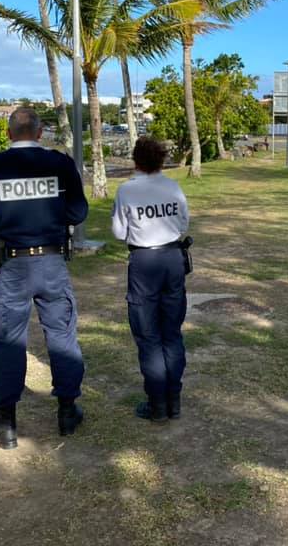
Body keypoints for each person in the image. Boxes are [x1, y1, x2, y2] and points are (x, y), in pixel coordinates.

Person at [0, 107, 88, 449]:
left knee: (8, 340)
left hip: (13, 266)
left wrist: (4, 230)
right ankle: (67, 411)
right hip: (51, 262)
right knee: (62, 335)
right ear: (39, 132)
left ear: (8, 134)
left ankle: (6, 423)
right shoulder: (60, 165)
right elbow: (78, 212)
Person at [111, 136, 190, 422]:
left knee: (148, 335)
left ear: (136, 160)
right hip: (172, 259)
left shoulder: (127, 190)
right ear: (160, 159)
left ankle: (157, 402)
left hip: (144, 262)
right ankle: (174, 399)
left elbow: (119, 232)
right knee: (171, 331)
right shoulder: (173, 186)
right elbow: (183, 223)